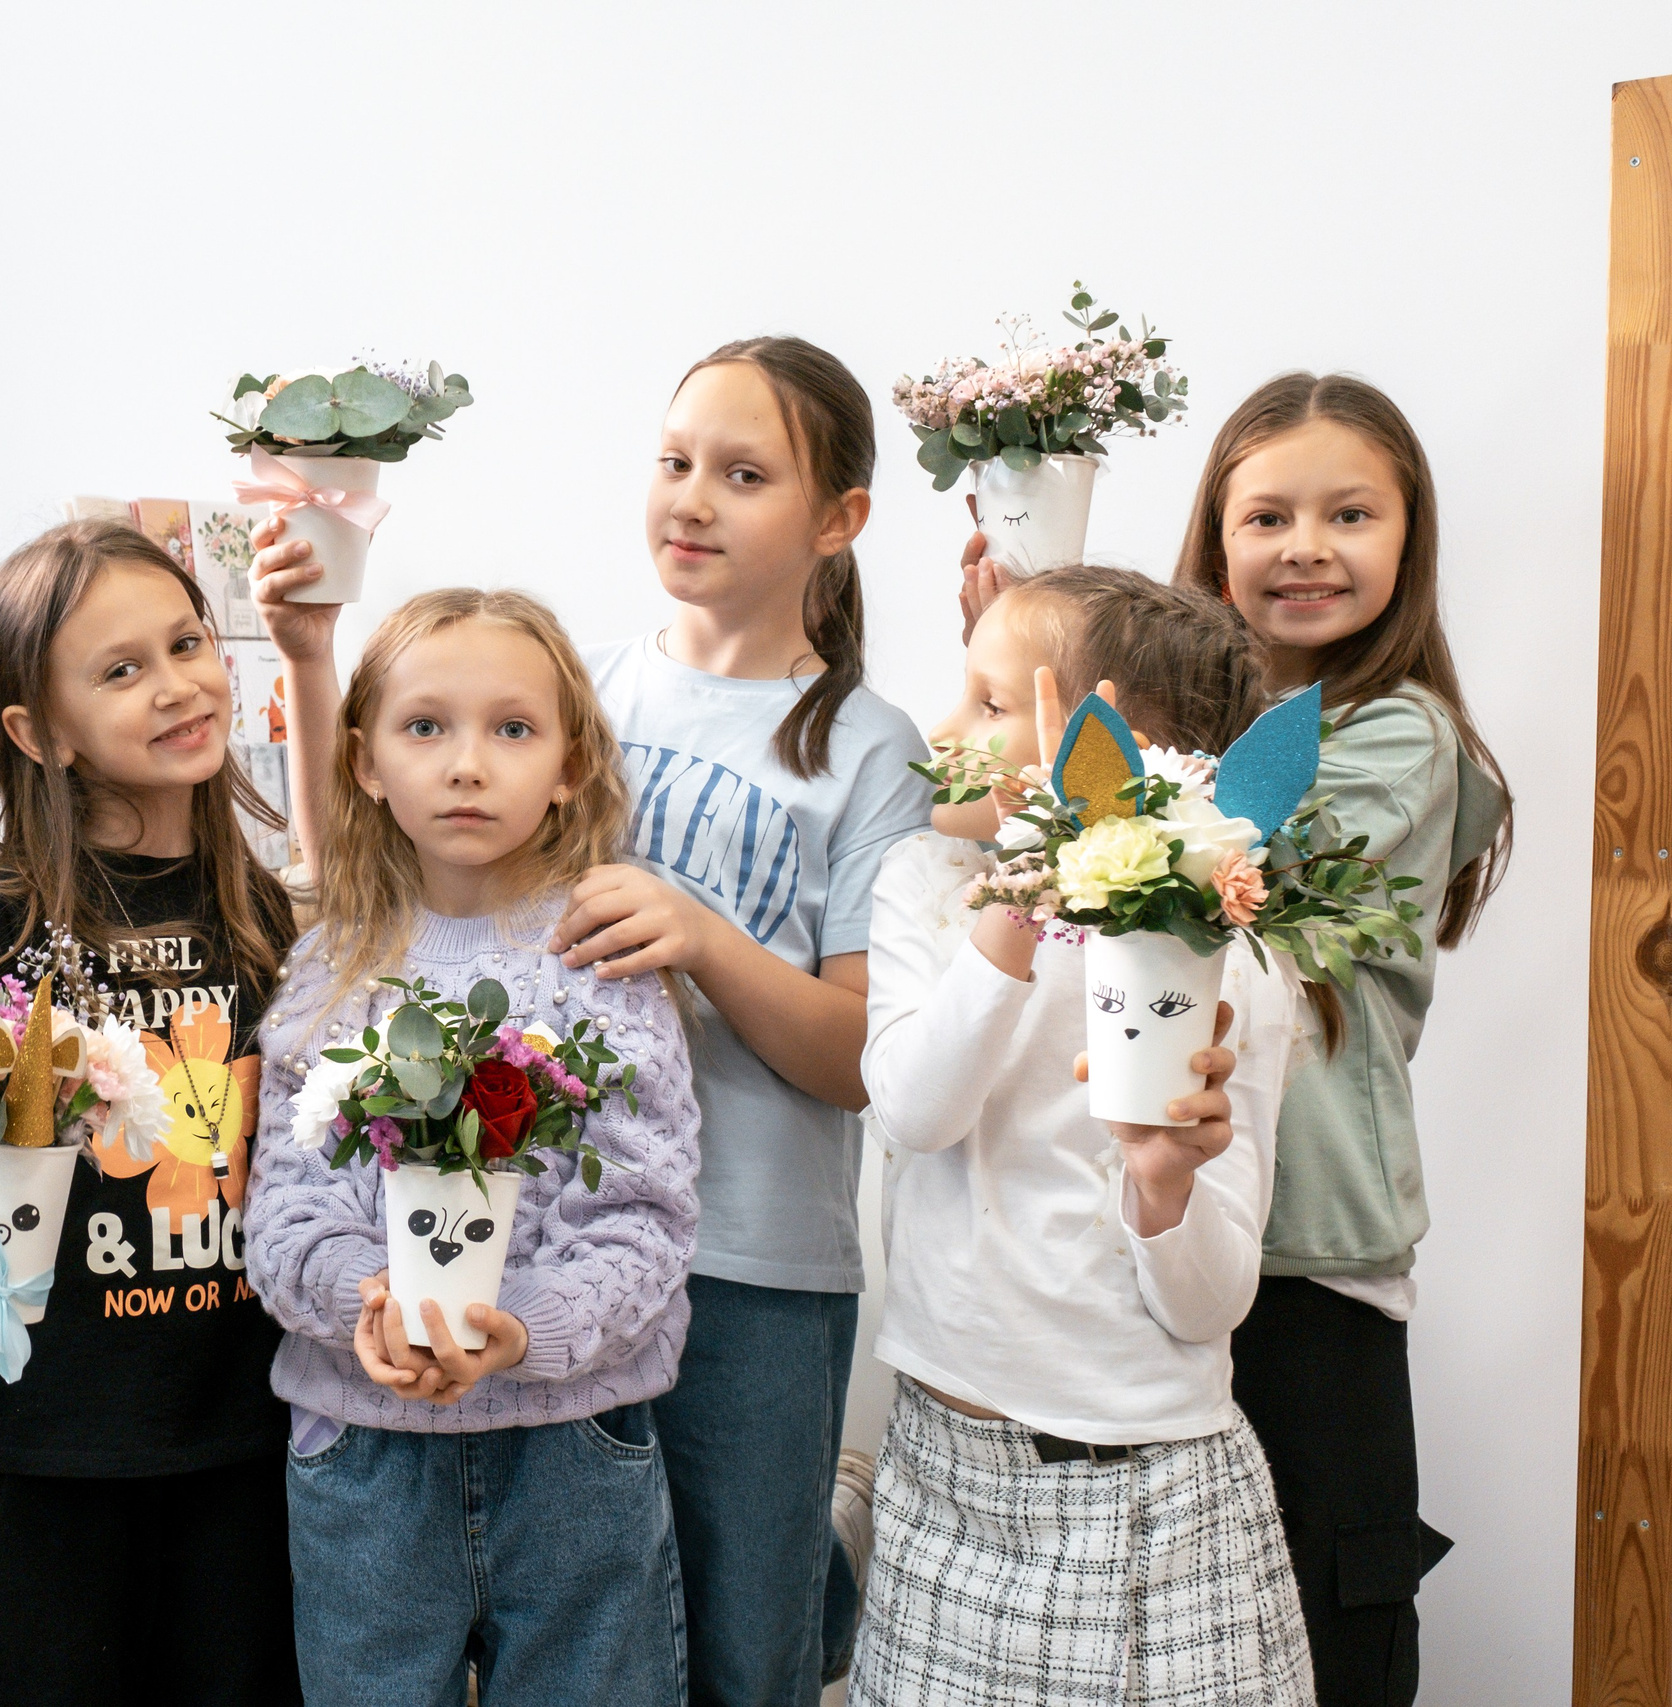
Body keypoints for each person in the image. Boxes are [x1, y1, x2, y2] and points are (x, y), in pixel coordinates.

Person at [257, 336, 930, 1702]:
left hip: (751, 1265)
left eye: (742, 474)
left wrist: (702, 938)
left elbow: (862, 1058)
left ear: (840, 520)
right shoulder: (579, 686)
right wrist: (316, 657)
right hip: (524, 1289)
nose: (691, 497)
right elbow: (367, 889)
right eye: (675, 461)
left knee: (746, 1642)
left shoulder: (864, 743)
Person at [852, 565, 1317, 1706]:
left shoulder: (1234, 960)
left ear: (1121, 747)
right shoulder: (929, 886)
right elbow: (915, 1107)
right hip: (939, 1486)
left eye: (993, 706)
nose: (948, 730)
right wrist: (1023, 896)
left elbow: (1209, 1304)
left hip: (1144, 1500)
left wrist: (1162, 1188)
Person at [0, 519, 301, 1707]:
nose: (175, 686)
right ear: (37, 731)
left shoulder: (267, 916)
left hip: (248, 1444)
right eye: (121, 670)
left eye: (185, 643)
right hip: (47, 1456)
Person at [246, 587, 701, 1707]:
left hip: (576, 1446)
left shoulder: (609, 966)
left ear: (569, 766)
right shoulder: (324, 973)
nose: (465, 765)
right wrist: (369, 1299)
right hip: (361, 1450)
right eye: (424, 727)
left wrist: (523, 1327)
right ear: (363, 762)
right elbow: (283, 1211)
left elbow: (644, 1218)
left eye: (511, 728)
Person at [1171, 374, 1511, 1706]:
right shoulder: (1181, 736)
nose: (1306, 544)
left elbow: (1224, 876)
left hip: (1311, 1258)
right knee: (1199, 1629)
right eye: (1267, 515)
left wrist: (1097, 728)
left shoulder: (1404, 739)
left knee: (1325, 1617)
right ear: (1214, 542)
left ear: (1407, 541)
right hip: (1179, 1229)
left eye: (1349, 512)